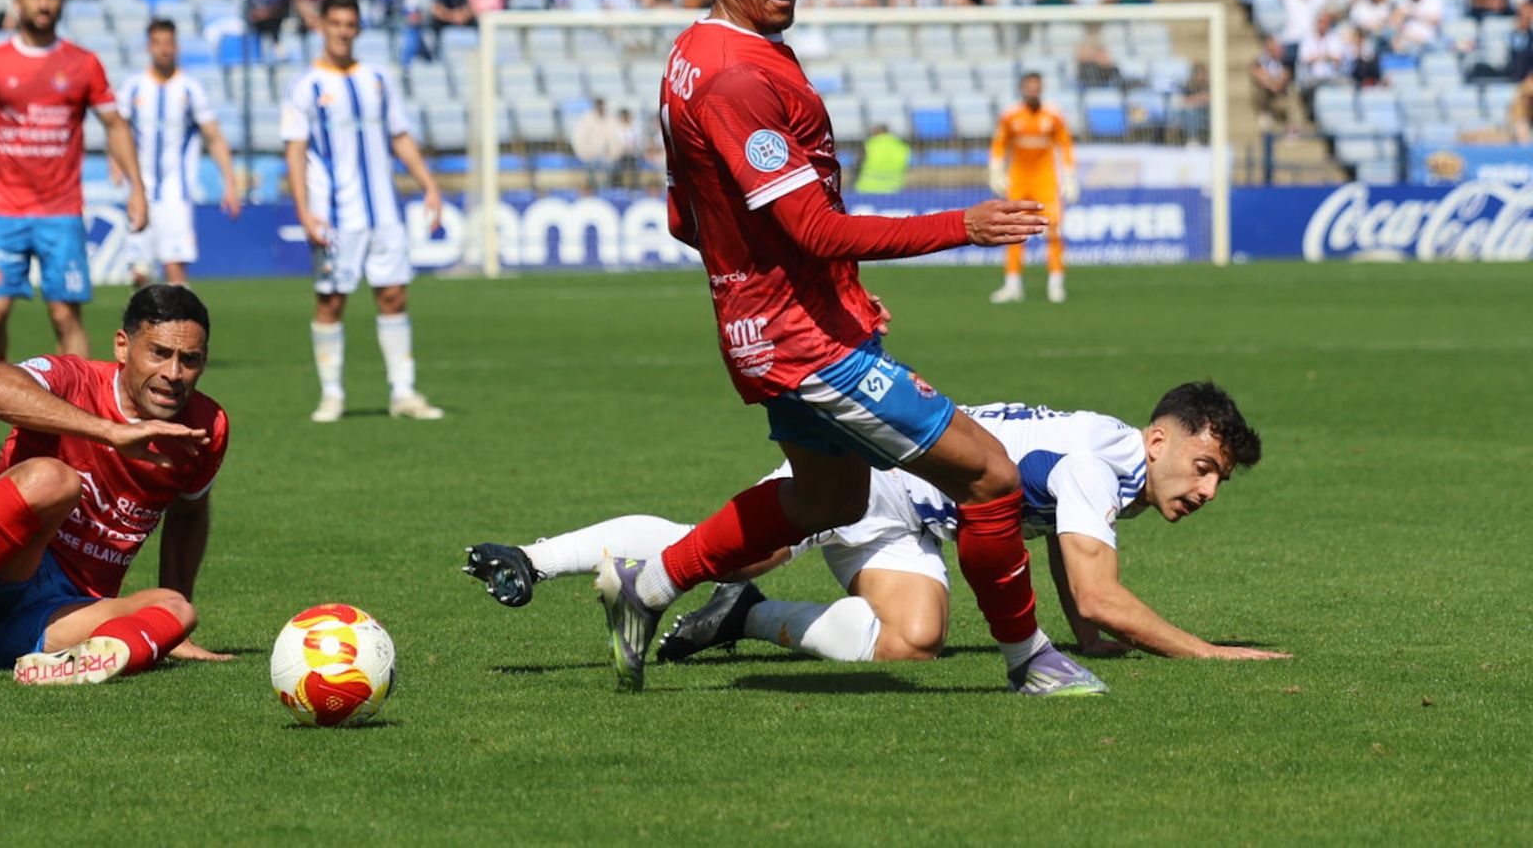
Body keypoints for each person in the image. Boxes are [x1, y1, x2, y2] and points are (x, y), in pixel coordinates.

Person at [593, 0, 1099, 698]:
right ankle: (1030, 660)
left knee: (828, 497)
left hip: (778, 325)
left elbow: (688, 217)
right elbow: (815, 229)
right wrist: (962, 225)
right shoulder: (735, 76)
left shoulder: (693, 54)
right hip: (804, 340)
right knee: (990, 475)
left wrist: (823, 287)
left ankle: (643, 588)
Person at [468, 383, 1290, 668]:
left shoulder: (1119, 468)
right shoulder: (1095, 464)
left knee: (916, 639)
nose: (1207, 488)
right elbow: (1100, 590)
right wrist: (1211, 653)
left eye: (1218, 477)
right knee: (725, 543)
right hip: (876, 475)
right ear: (1159, 439)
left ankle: (745, 616)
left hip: (912, 522)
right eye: (1204, 465)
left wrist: (1087, 637)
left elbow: (1074, 569)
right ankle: (534, 558)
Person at [0, 285, 232, 684]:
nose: (173, 374)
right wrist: (110, 431)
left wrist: (169, 634)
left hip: (53, 614)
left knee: (177, 608)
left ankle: (63, 667)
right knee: (54, 480)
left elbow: (189, 514)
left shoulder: (205, 426)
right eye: (159, 353)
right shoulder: (74, 379)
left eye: (189, 359)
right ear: (123, 346)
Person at [0, 0, 147, 455]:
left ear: (61, 0)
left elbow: (114, 125)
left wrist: (137, 186)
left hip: (60, 210)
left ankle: (80, 429)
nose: (44, 3)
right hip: (4, 209)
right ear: (18, 0)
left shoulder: (82, 63)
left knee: (64, 316)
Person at [280, 0, 445, 424]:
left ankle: (403, 392)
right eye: (335, 23)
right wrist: (304, 211)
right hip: (335, 215)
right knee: (331, 301)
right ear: (322, 27)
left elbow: (400, 136)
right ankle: (332, 393)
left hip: (383, 212)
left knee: (393, 296)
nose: (343, 31)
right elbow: (295, 152)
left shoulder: (377, 79)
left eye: (350, 24)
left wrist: (429, 186)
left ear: (357, 29)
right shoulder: (305, 86)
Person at [115, 21, 241, 287]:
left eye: (169, 43)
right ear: (149, 47)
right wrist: (115, 161)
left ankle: (179, 316)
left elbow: (214, 137)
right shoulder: (133, 87)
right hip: (139, 189)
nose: (164, 50)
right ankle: (148, 316)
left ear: (176, 46)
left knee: (175, 268)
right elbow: (118, 130)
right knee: (139, 273)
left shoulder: (190, 88)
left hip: (175, 193)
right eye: (158, 43)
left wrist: (230, 183)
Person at [988, 71, 1077, 305]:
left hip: (1045, 182)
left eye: (1037, 87)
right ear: (1022, 89)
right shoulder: (1010, 115)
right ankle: (1012, 285)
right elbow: (999, 143)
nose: (1033, 91)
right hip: (1019, 181)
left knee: (1054, 231)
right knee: (1013, 233)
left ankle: (1056, 284)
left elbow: (1065, 144)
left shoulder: (1053, 114)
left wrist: (1069, 176)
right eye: (1029, 87)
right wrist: (996, 170)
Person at [854, 123, 911, 194]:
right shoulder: (902, 147)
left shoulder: (868, 145)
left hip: (867, 189)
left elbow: (857, 166)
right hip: (894, 189)